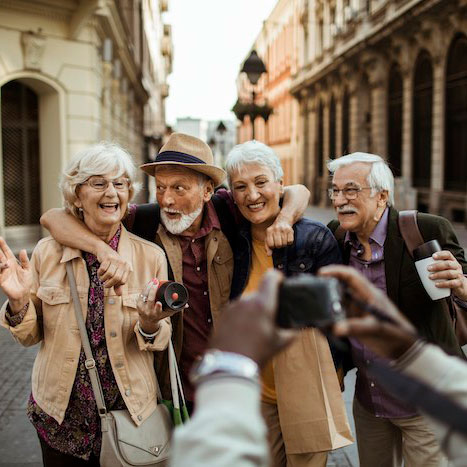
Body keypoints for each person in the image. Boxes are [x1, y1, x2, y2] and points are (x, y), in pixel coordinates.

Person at [40, 132, 309, 411]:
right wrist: (103, 249)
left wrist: (286, 219)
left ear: (207, 192)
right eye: (161, 187)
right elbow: (53, 218)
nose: (166, 200)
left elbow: (297, 191)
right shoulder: (143, 220)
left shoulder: (229, 211)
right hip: (173, 387)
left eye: (179, 189)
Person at [0, 142, 172, 466]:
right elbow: (28, 335)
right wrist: (19, 300)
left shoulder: (151, 256)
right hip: (59, 419)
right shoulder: (46, 253)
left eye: (120, 183)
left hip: (129, 418)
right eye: (98, 182)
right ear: (77, 195)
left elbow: (160, 339)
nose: (111, 192)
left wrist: (150, 324)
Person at [327, 152, 467, 467]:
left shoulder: (425, 229)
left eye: (351, 190)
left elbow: (464, 282)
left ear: (382, 197)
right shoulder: (337, 236)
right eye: (334, 191)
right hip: (369, 401)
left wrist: (460, 284)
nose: (339, 199)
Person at [223, 141, 353, 467]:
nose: (252, 195)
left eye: (261, 182)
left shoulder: (313, 238)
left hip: (306, 383)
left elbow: (338, 313)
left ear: (280, 184)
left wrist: (334, 370)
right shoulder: (230, 234)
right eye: (241, 187)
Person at [319, 264, 467, 467]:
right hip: (369, 403)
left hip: (423, 410)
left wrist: (462, 285)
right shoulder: (341, 235)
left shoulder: (419, 231)